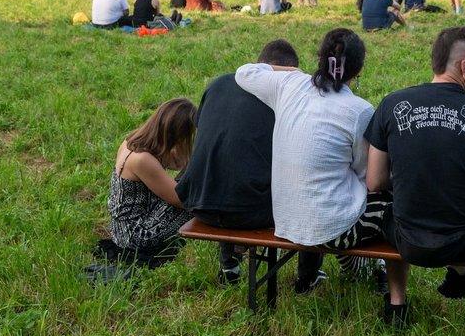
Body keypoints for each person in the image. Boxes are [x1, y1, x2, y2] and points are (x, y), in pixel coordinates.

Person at [366, 27, 465, 329]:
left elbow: (375, 182)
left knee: (388, 211)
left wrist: (410, 180)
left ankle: (396, 305)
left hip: (407, 239)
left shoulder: (392, 104)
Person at [235, 29, 387, 292]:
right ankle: (367, 269)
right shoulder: (359, 109)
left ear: (319, 58)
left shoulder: (289, 85)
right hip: (330, 229)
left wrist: (290, 73)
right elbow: (366, 176)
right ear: (358, 70)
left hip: (286, 219)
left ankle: (354, 264)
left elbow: (244, 72)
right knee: (386, 191)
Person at [174, 40, 325, 286]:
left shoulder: (219, 83)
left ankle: (229, 265)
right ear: (287, 71)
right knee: (312, 186)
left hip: (199, 202)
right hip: (250, 211)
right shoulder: (285, 97)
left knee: (229, 166)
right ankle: (307, 277)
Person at [108, 98, 195, 255]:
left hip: (120, 229)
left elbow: (179, 162)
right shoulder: (142, 159)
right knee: (198, 203)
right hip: (135, 235)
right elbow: (182, 199)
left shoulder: (133, 142)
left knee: (196, 180)